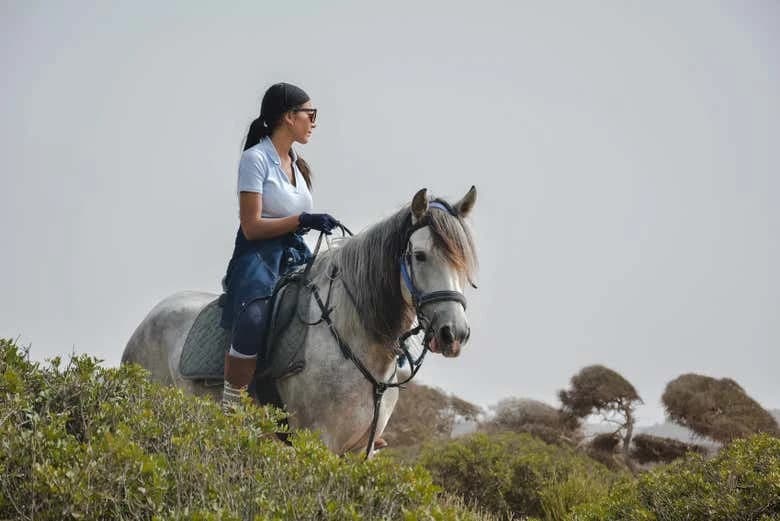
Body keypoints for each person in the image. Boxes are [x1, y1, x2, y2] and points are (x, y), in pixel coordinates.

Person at [219, 82, 338, 410]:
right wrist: (302, 220)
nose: (313, 122)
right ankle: (232, 403)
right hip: (258, 253)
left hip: (295, 251)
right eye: (310, 114)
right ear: (289, 117)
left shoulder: (299, 165)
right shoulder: (255, 159)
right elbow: (251, 226)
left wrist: (308, 226)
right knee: (254, 317)